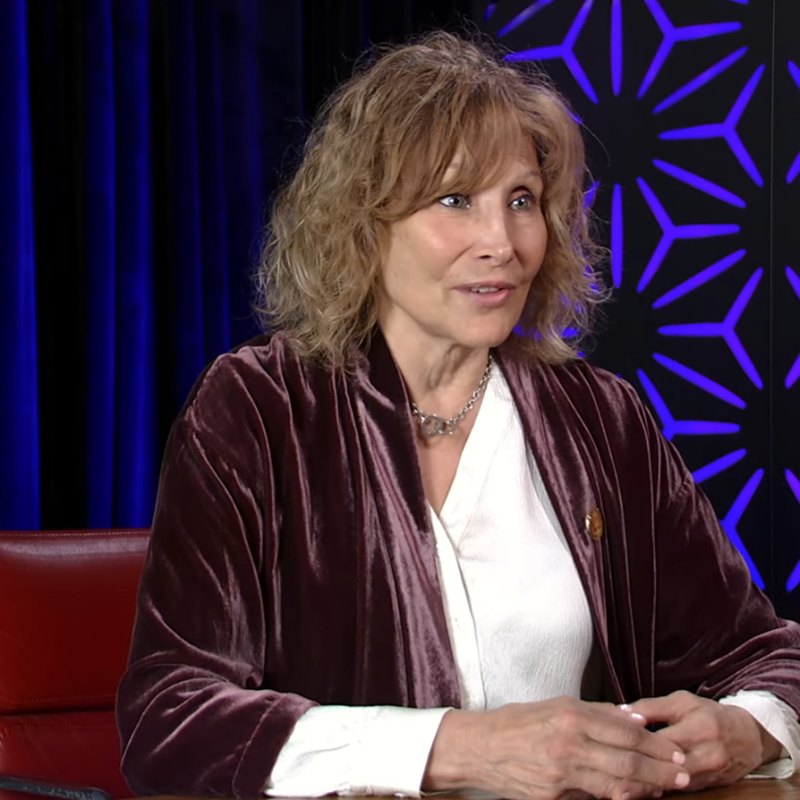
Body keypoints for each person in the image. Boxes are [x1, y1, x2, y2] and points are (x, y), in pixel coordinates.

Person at [116, 31, 800, 800]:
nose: (501, 243)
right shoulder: (255, 408)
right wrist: (459, 747)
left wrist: (747, 728)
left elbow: (766, 655)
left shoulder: (602, 419)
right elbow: (169, 717)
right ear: (363, 219)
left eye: (521, 201)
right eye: (454, 200)